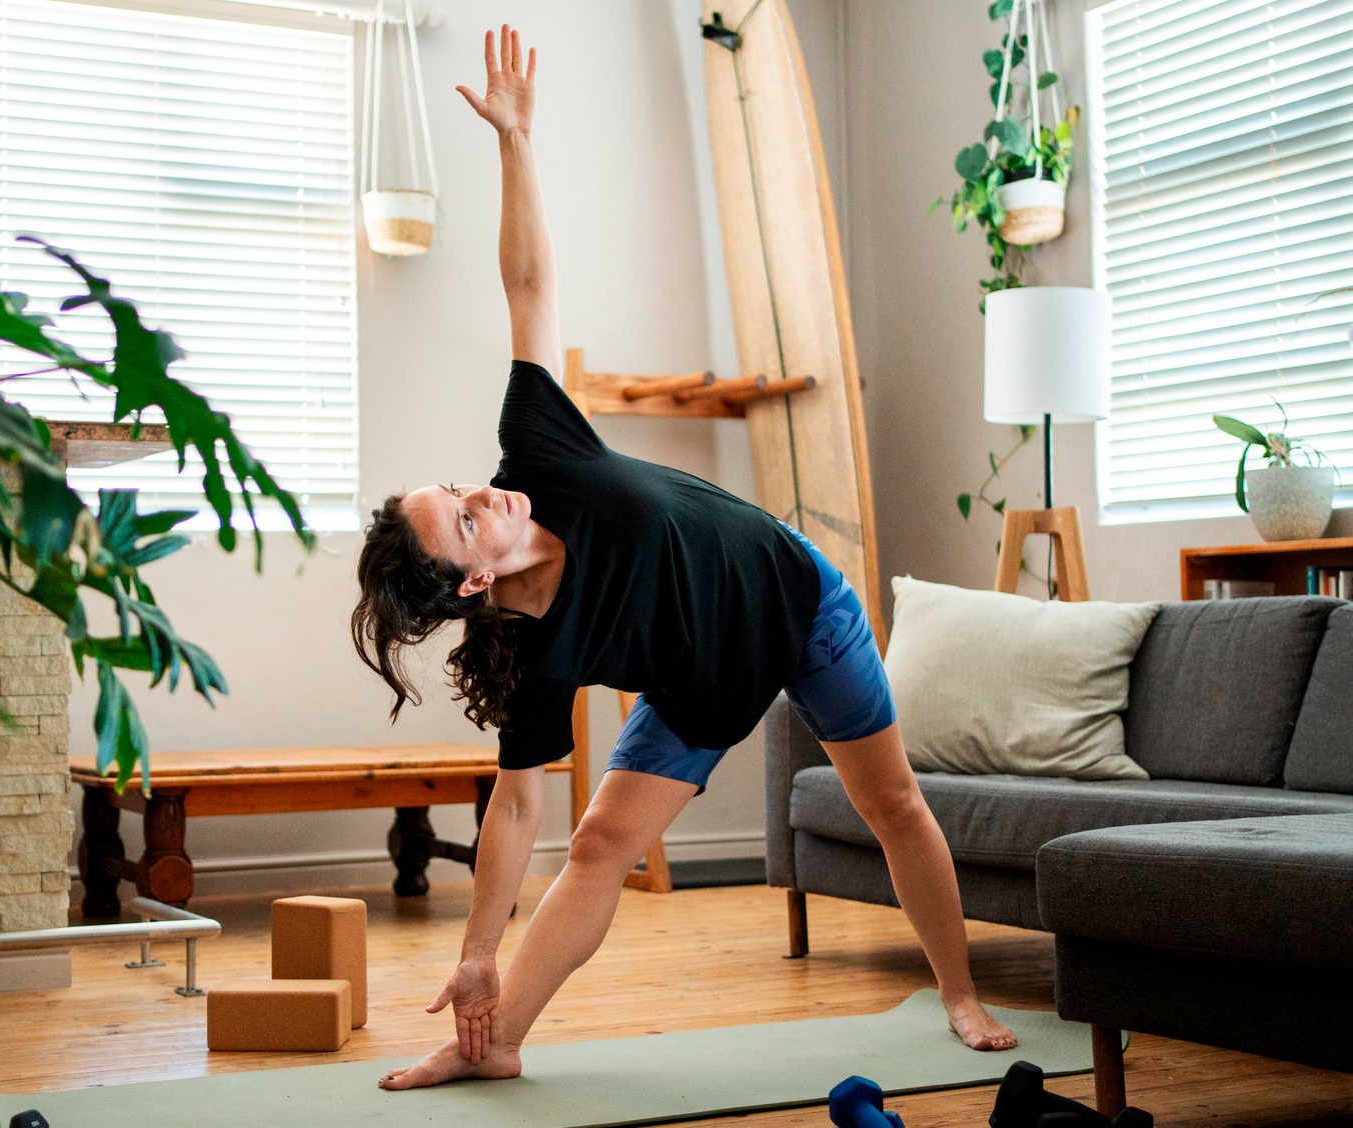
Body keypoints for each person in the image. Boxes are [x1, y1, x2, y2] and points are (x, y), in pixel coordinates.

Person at [352, 25, 1018, 1091]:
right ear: (472, 582)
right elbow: (516, 806)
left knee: (891, 803)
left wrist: (516, 144)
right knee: (596, 844)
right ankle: (500, 1042)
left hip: (797, 605)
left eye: (460, 488)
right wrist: (473, 955)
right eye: (465, 519)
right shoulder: (531, 656)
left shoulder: (538, 447)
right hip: (702, 690)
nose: (482, 493)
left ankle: (959, 993)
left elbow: (526, 286)